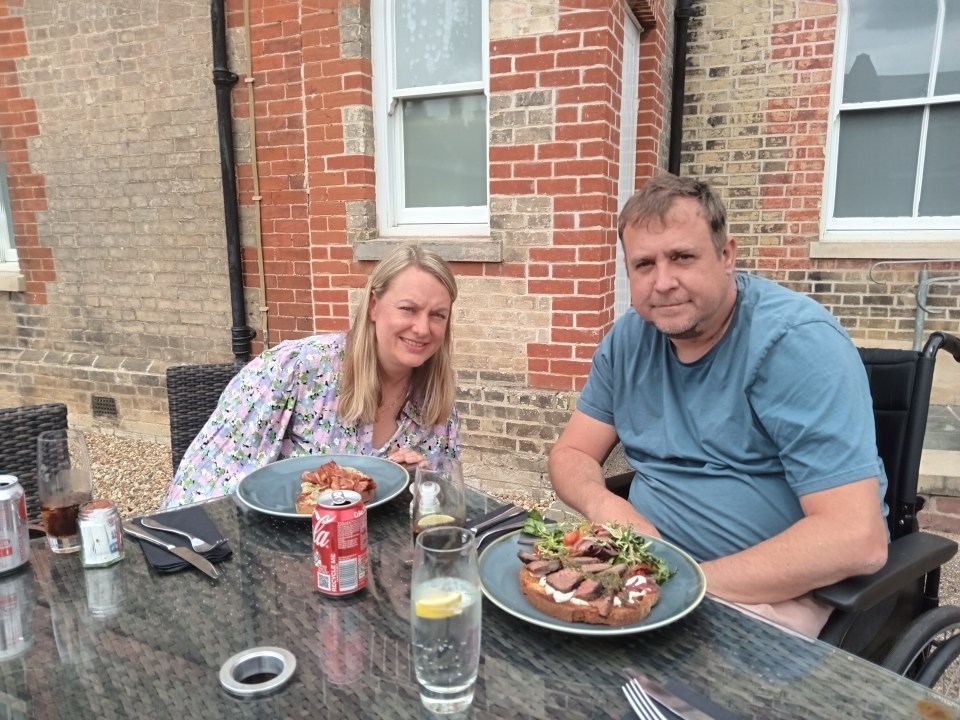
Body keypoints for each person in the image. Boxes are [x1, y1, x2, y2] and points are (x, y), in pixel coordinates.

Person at [548, 174, 890, 637]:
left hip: (765, 595)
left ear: (727, 255)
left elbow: (856, 538)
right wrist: (604, 504)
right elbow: (570, 454)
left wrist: (684, 584)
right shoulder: (628, 340)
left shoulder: (796, 345)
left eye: (682, 257)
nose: (663, 282)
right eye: (644, 264)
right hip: (644, 573)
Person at [163, 243, 460, 508]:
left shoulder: (437, 400)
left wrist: (421, 481)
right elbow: (202, 483)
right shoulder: (296, 368)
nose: (423, 328)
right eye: (408, 309)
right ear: (373, 306)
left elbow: (445, 505)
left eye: (438, 315)